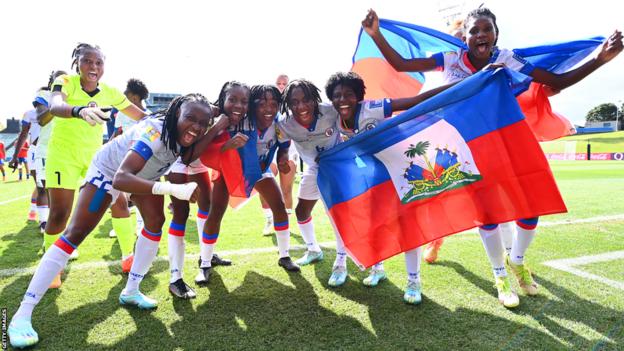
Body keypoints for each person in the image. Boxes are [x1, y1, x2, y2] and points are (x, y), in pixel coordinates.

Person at [362, 7, 623, 307]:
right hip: (466, 145)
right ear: (467, 37)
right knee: (486, 213)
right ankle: (500, 276)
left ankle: (517, 261)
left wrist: (599, 60)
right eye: (474, 31)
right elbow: (402, 63)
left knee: (530, 206)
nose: (480, 35)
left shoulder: (506, 59)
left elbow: (557, 80)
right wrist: (376, 34)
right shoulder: (451, 59)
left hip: (507, 138)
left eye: (486, 30)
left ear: (496, 34)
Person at [8, 93, 228, 348]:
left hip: (142, 176)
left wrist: (216, 125)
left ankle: (131, 291)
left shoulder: (188, 131)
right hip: (110, 173)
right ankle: (21, 315)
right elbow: (121, 179)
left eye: (204, 122)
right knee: (76, 233)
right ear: (175, 114)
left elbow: (188, 154)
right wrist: (171, 190)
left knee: (155, 222)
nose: (197, 127)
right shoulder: (155, 133)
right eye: (191, 118)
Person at [325, 71, 452, 303]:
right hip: (375, 173)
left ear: (359, 96)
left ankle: (414, 282)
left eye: (349, 94)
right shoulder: (333, 117)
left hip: (403, 168)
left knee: (408, 226)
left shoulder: (372, 108)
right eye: (337, 95)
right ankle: (378, 269)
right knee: (374, 223)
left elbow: (416, 101)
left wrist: (462, 84)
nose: (342, 100)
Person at [43, 43, 147, 288]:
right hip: (63, 156)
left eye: (99, 62)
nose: (94, 66)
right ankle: (51, 267)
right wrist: (79, 111)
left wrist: (172, 117)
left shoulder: (110, 91)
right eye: (88, 61)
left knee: (119, 202)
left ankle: (127, 257)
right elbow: (55, 106)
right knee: (60, 214)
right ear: (77, 63)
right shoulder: (64, 81)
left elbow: (139, 115)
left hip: (96, 158)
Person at [277, 79, 342, 272]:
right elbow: (283, 145)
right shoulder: (286, 123)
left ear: (315, 99)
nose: (301, 106)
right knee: (301, 211)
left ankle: (341, 261)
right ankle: (314, 249)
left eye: (306, 100)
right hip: (313, 169)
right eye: (294, 102)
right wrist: (283, 158)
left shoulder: (330, 110)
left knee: (338, 215)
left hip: (337, 168)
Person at [106, 78, 151, 273]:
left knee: (138, 194)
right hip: (122, 158)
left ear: (133, 96)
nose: (124, 98)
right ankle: (122, 226)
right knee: (119, 194)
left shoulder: (146, 115)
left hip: (140, 160)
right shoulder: (123, 113)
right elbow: (116, 134)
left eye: (126, 94)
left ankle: (141, 226)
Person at [258, 74, 299, 235]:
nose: (281, 86)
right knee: (264, 184)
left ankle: (285, 220)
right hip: (269, 149)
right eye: (278, 83)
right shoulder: (268, 104)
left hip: (289, 149)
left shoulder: (294, 104)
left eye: (284, 83)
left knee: (286, 188)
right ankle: (269, 218)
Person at [31, 70, 68, 234]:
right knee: (44, 187)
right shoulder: (44, 94)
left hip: (65, 149)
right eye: (57, 79)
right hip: (46, 149)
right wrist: (56, 105)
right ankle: (44, 221)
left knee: (60, 191)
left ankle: (55, 224)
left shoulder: (71, 94)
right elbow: (42, 119)